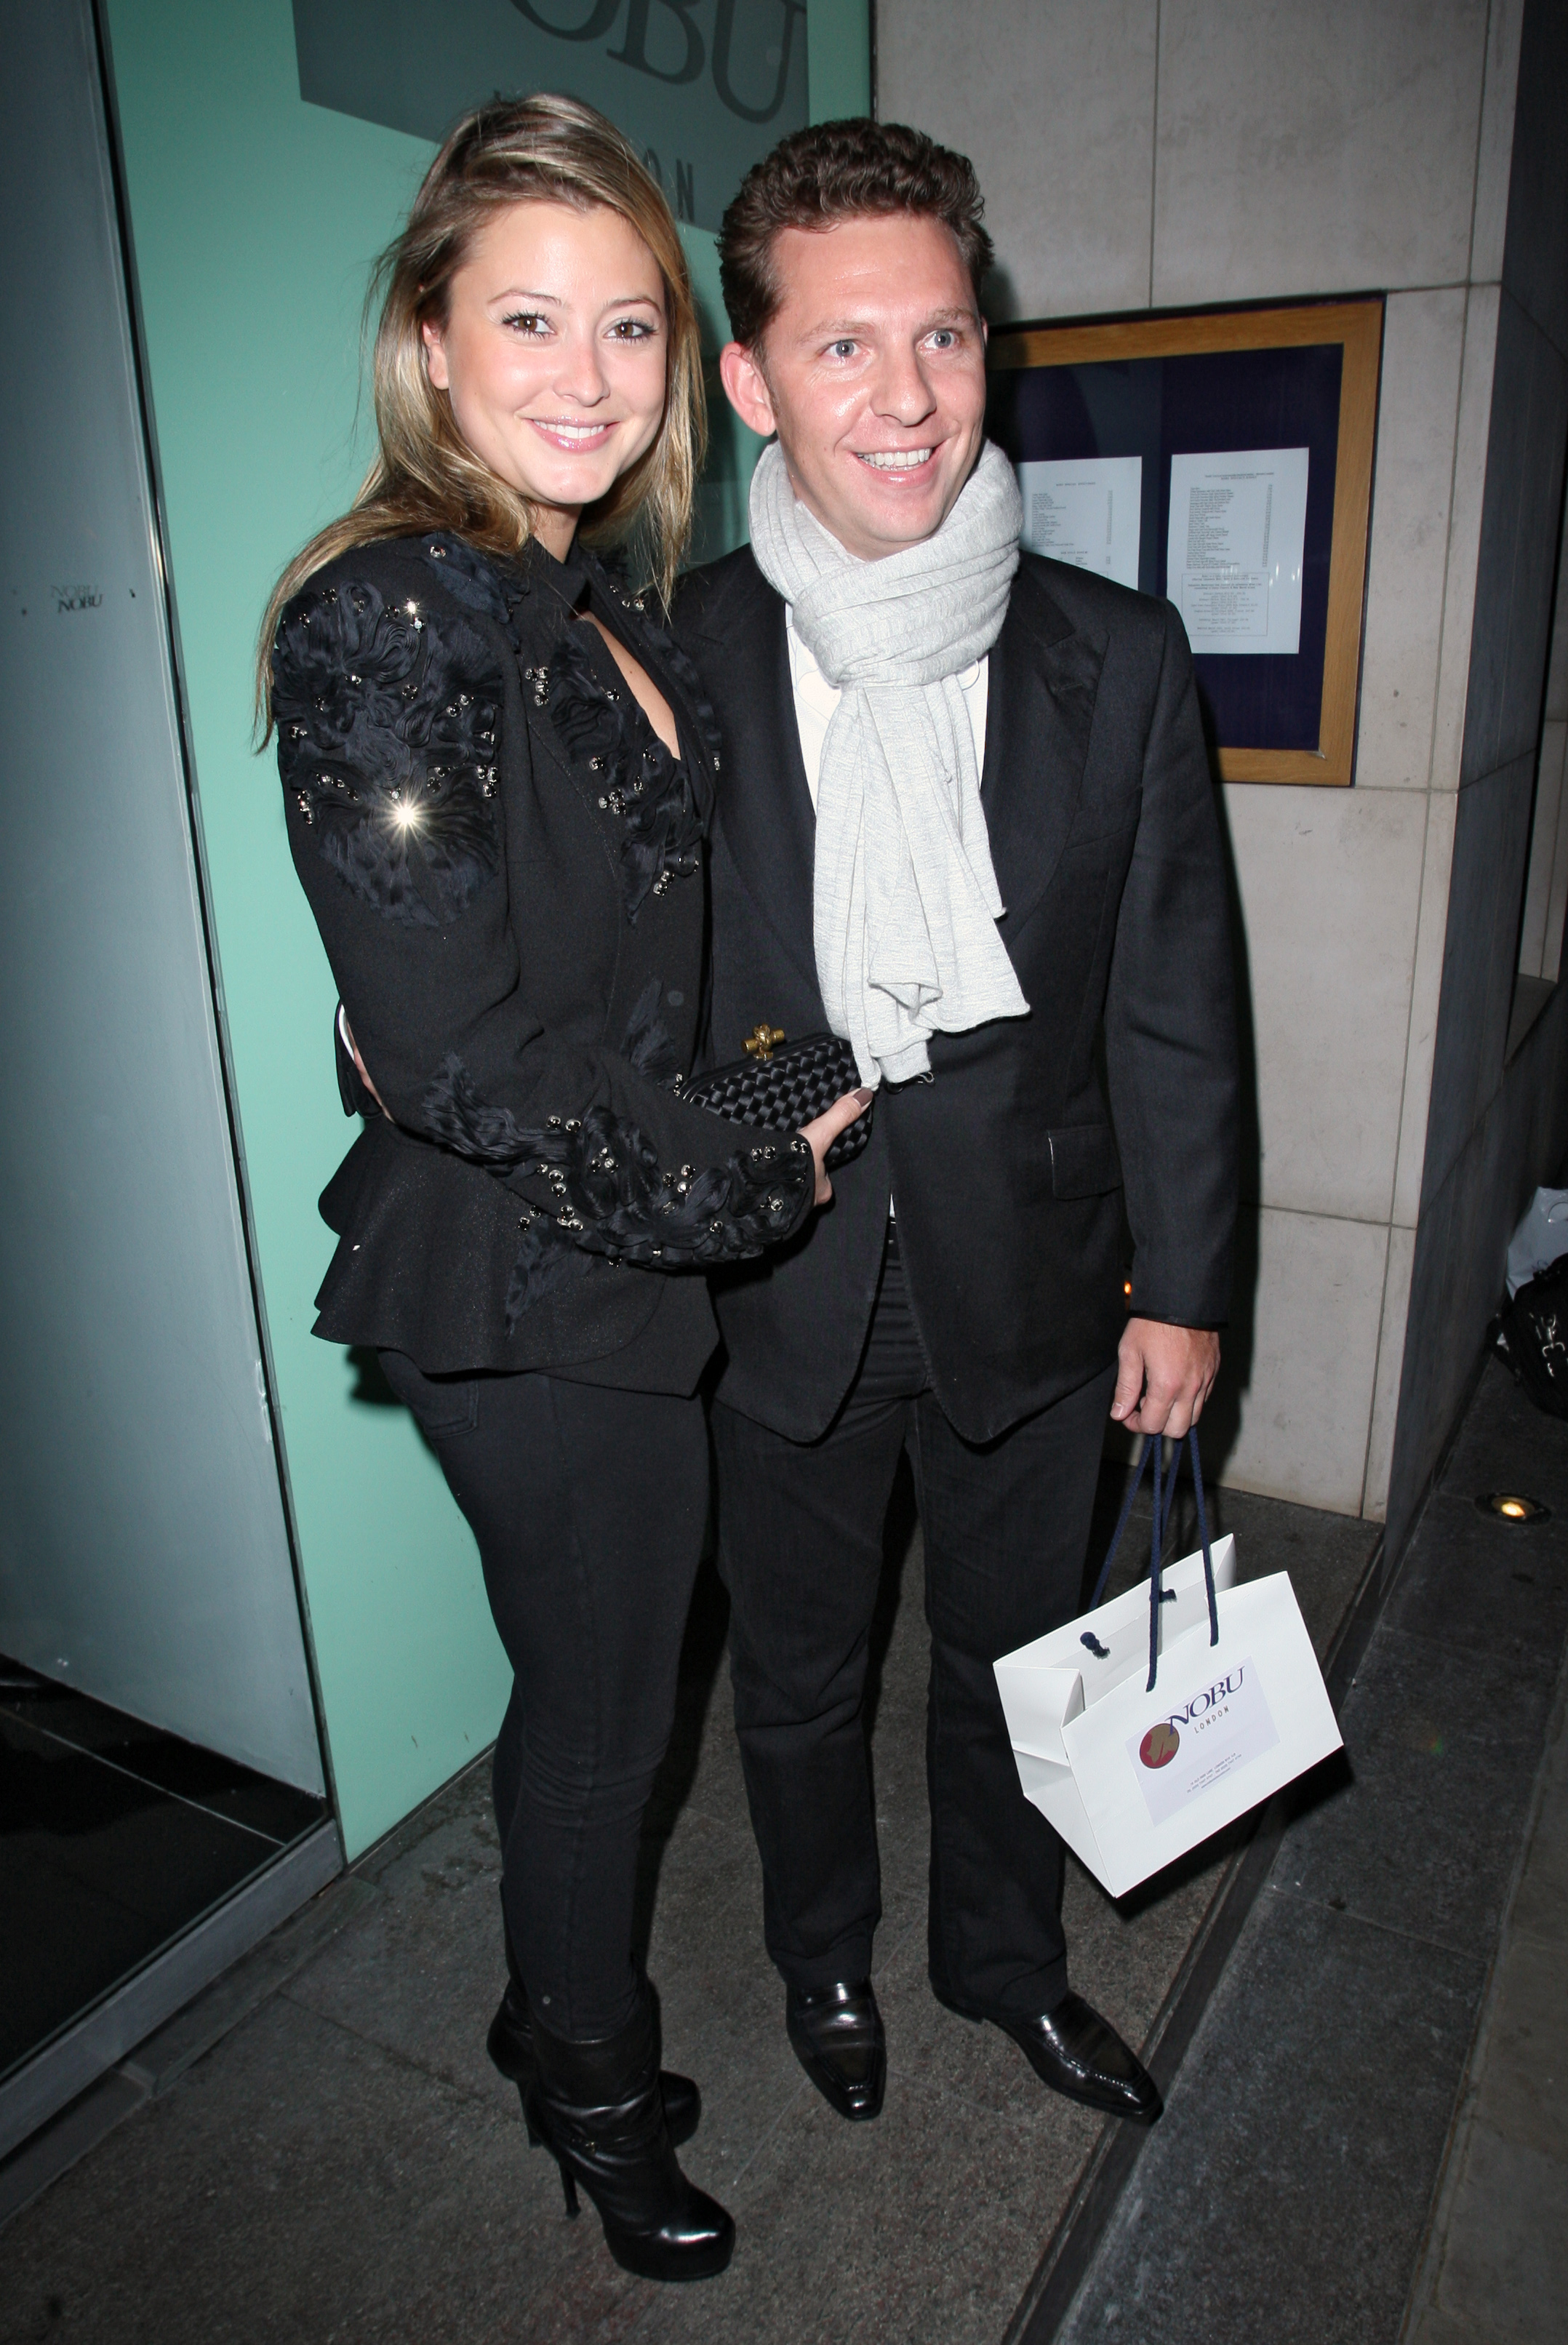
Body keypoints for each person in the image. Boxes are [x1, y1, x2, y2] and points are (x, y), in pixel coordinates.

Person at [259, 97, 865, 2282]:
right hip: (525, 1278)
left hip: (610, 1237)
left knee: (592, 1683)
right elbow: (454, 1054)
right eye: (528, 318)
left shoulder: (596, 607)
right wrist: (752, 1175)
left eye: (628, 322)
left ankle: (550, 2011)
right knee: (610, 1717)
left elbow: (585, 974)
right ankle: (593, 2100)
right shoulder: (388, 609)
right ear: (428, 340)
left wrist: (794, 1083)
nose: (588, 372)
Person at [675, 119, 1239, 2130]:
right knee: (797, 1672)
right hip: (777, 1279)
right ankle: (821, 1958)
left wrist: (1185, 1285)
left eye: (941, 336)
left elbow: (1174, 1002)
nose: (904, 397)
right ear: (751, 381)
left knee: (1018, 1657)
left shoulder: (1116, 654)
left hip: (1038, 1272)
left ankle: (1004, 1963)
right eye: (841, 347)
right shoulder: (666, 659)